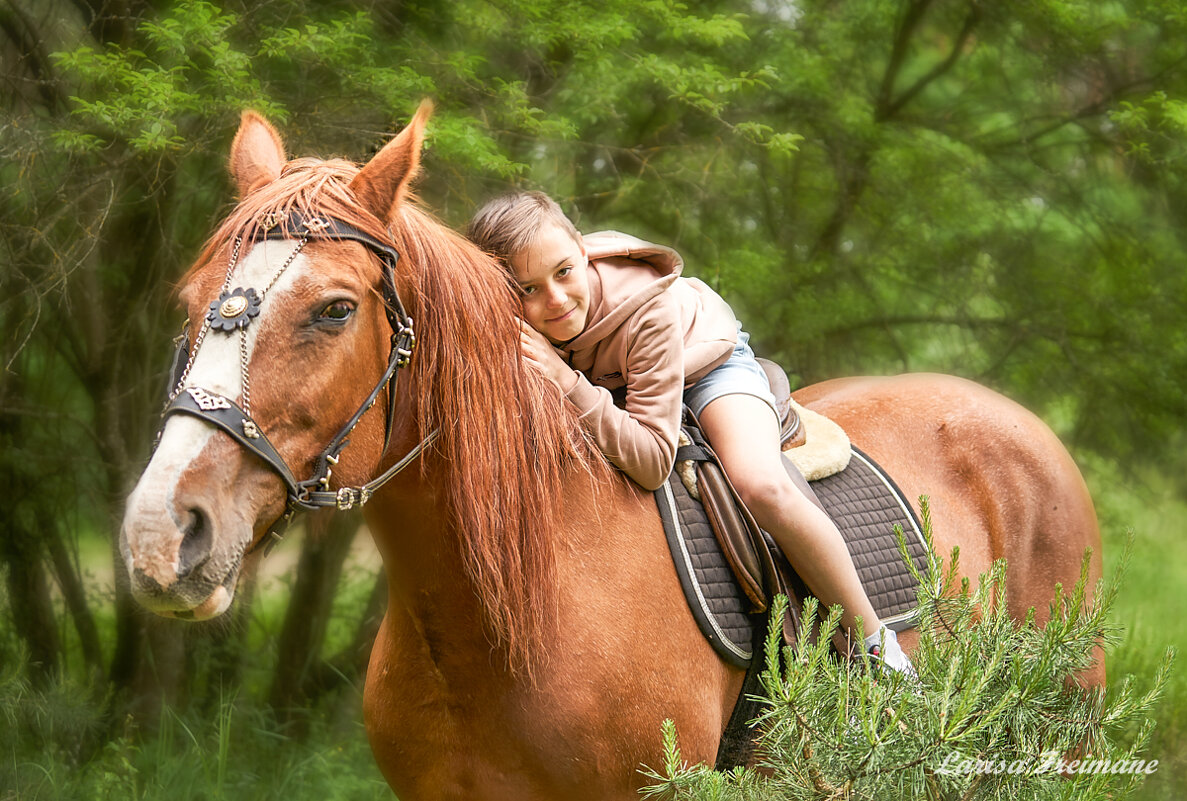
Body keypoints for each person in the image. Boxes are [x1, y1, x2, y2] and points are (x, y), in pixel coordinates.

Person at [467, 191, 913, 676]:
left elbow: (654, 460)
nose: (554, 299)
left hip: (700, 368)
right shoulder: (508, 320)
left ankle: (877, 645)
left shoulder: (646, 309)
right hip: (610, 385)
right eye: (527, 289)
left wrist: (566, 380)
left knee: (759, 484)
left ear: (581, 248)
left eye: (564, 272)